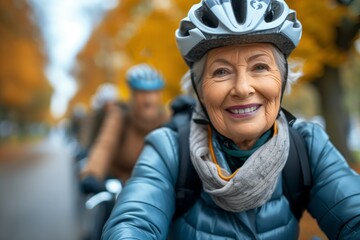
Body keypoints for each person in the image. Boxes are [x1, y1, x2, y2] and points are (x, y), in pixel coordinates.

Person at [102, 1, 360, 239]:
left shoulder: (307, 145)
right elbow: (133, 222)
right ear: (199, 88)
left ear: (282, 79)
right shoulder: (169, 149)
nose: (242, 88)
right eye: (221, 71)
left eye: (259, 67)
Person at [80, 63, 169, 192]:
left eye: (154, 92)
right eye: (142, 92)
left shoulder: (167, 119)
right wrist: (92, 174)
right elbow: (105, 145)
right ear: (132, 94)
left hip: (154, 188)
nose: (149, 100)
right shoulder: (120, 116)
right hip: (120, 182)